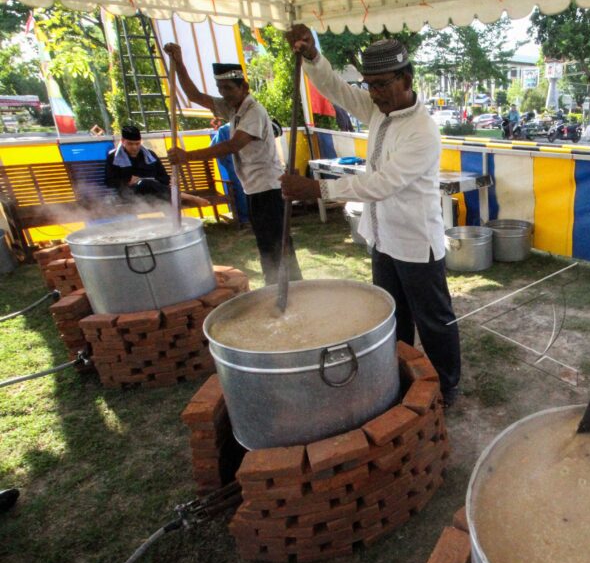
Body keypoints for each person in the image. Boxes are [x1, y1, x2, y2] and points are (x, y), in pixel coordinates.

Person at [280, 28, 461, 408]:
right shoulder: (380, 109)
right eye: (369, 85)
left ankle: (447, 385)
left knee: (434, 321)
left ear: (406, 80)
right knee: (393, 317)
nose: (373, 93)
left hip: (415, 241)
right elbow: (337, 90)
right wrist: (314, 57)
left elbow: (382, 184)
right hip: (382, 237)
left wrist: (317, 190)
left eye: (380, 85)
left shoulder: (422, 131)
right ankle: (400, 376)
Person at [163, 43, 302, 285]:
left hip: (269, 189)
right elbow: (195, 96)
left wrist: (187, 157)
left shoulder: (254, 111)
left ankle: (288, 288)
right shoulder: (233, 108)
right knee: (268, 243)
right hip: (254, 189)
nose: (224, 93)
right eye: (220, 88)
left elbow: (232, 145)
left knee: (276, 244)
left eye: (228, 88)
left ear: (244, 87)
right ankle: (279, 287)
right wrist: (179, 62)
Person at [105, 125, 206, 208]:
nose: (134, 147)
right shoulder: (113, 157)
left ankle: (172, 221)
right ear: (122, 141)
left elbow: (164, 177)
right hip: (129, 193)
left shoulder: (150, 155)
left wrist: (156, 181)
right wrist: (127, 181)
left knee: (151, 186)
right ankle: (188, 198)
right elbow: (109, 181)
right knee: (145, 184)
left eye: (137, 144)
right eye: (130, 144)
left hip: (155, 191)